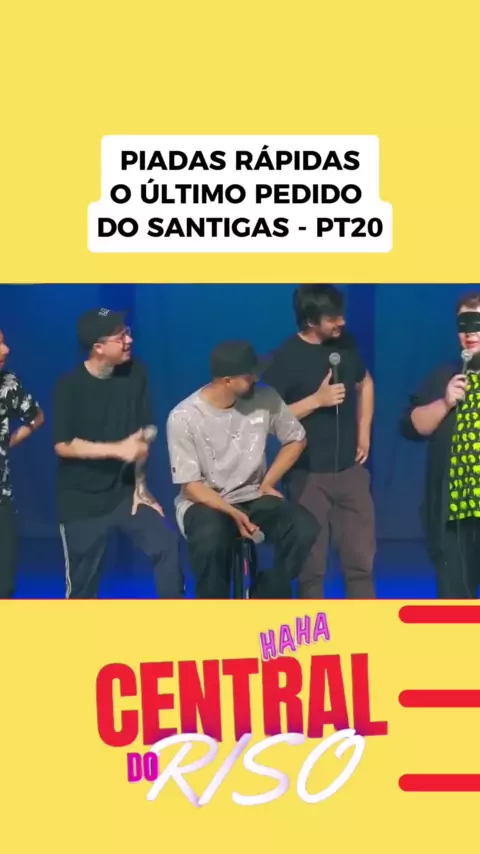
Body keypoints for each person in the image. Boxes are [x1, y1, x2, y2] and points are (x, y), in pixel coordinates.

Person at [166, 340, 319, 598]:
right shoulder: (184, 416)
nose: (256, 378)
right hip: (206, 501)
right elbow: (190, 485)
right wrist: (232, 513)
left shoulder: (266, 397)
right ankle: (215, 610)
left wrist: (268, 482)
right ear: (227, 381)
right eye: (249, 375)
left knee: (303, 527)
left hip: (252, 495)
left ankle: (266, 592)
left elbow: (296, 439)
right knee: (212, 537)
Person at [53, 308, 183, 599]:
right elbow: (63, 445)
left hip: (126, 494)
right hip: (81, 501)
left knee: (166, 544)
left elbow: (144, 431)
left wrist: (141, 485)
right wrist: (117, 449)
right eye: (120, 336)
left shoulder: (136, 372)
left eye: (127, 332)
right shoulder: (69, 386)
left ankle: (176, 620)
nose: (129, 340)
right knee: (83, 588)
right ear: (98, 347)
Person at [262, 284, 376, 599]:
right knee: (311, 569)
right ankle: (313, 628)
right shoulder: (286, 357)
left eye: (341, 314)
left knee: (361, 563)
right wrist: (317, 400)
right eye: (332, 317)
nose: (342, 322)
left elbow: (365, 382)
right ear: (311, 321)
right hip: (307, 475)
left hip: (350, 471)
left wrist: (364, 432)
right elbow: (267, 417)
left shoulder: (346, 343)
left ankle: (367, 627)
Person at [400, 291, 480, 598]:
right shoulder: (445, 376)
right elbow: (411, 426)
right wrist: (445, 402)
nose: (469, 333)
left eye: (476, 323)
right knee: (455, 604)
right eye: (463, 325)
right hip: (454, 515)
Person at [0, 328, 44, 597]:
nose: (6, 350)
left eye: (3, 342)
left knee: (4, 585)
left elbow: (36, 417)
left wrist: (6, 443)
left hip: (1, 500)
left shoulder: (9, 384)